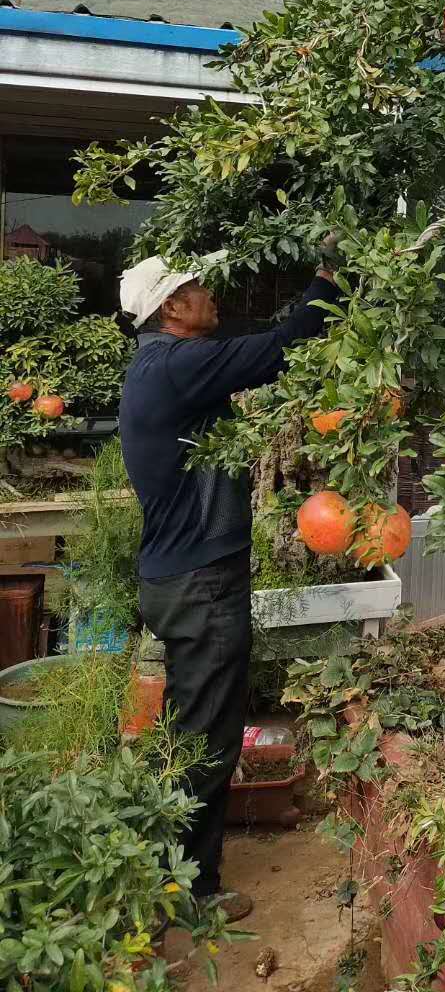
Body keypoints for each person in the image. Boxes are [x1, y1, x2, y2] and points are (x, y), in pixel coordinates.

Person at [118, 245, 341, 919]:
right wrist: (326, 281)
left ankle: (167, 866)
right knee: (208, 739)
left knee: (192, 729)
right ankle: (193, 892)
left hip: (178, 577)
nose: (211, 294)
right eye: (198, 288)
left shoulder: (162, 369)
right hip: (199, 586)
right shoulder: (177, 366)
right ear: (173, 308)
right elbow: (280, 347)